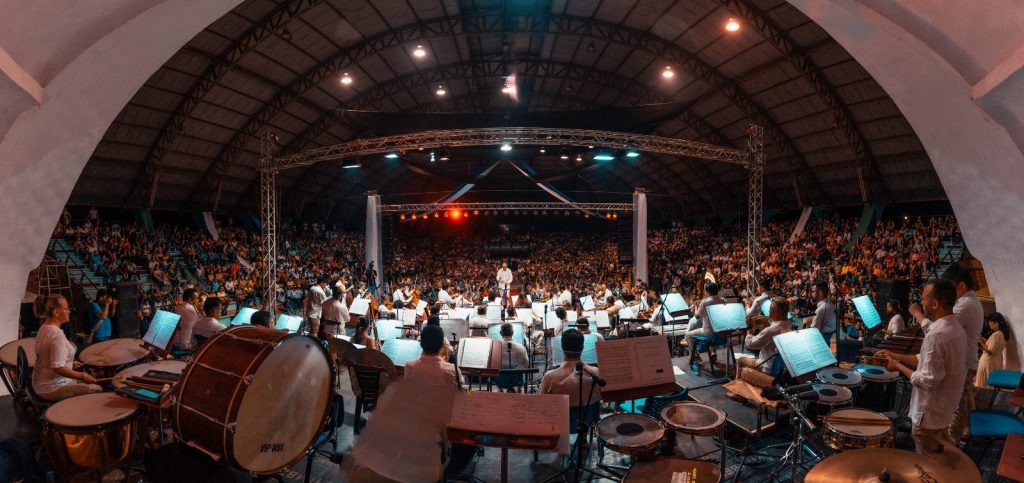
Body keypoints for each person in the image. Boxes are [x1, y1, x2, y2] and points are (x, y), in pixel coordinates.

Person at [349, 324, 460, 483]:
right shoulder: (450, 370)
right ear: (442, 346)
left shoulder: (410, 366)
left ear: (421, 345)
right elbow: (457, 390)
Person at [878, 279, 966, 462]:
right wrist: (895, 355)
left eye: (924, 298)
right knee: (941, 460)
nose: (920, 303)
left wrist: (896, 366)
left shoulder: (936, 335)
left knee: (928, 467)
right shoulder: (956, 328)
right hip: (944, 410)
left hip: (929, 414)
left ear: (935, 304)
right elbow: (923, 359)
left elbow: (927, 381)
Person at [909, 263, 983, 441]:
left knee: (957, 406)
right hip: (963, 358)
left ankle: (952, 442)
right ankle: (963, 432)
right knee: (962, 401)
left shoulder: (965, 305)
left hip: (961, 362)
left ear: (962, 286)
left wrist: (918, 313)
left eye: (951, 288)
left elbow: (937, 327)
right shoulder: (971, 301)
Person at [32, 294, 102, 401]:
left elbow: (48, 356)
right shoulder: (56, 335)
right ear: (56, 312)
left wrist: (71, 363)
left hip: (40, 384)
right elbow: (58, 368)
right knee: (98, 389)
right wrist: (82, 376)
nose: (69, 311)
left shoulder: (44, 328)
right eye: (65, 309)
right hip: (51, 388)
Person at [540, 328, 602, 409]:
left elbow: (540, 403)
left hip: (562, 421)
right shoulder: (597, 373)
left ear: (562, 348)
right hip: (591, 421)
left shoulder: (550, 377)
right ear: (583, 348)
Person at [739, 297, 792, 375]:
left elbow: (749, 344)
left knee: (740, 360)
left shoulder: (769, 331)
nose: (769, 312)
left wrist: (749, 328)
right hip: (779, 367)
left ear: (776, 313)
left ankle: (742, 383)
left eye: (770, 310)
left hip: (765, 367)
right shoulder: (789, 324)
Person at [685, 283, 726, 365]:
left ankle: (696, 356)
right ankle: (712, 352)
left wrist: (697, 306)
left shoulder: (704, 302)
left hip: (709, 333)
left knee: (687, 335)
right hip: (722, 334)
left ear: (707, 292)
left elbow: (697, 317)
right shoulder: (723, 300)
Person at [976, 313, 1009, 388]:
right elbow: (994, 347)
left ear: (997, 323)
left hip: (989, 362)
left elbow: (990, 351)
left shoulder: (996, 335)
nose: (989, 323)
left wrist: (980, 342)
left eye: (991, 321)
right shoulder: (1002, 333)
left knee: (985, 386)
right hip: (996, 360)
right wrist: (984, 341)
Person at [809, 281, 837, 348]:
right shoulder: (830, 304)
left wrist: (808, 323)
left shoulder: (821, 309)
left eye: (813, 291)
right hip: (827, 337)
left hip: (821, 341)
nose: (812, 294)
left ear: (820, 292)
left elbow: (814, 329)